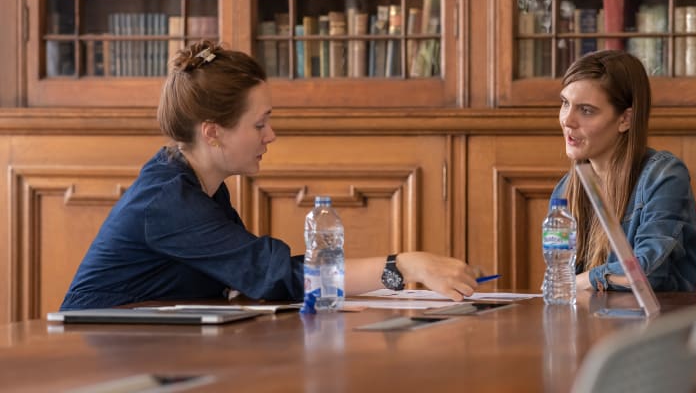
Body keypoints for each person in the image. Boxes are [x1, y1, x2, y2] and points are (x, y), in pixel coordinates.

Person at [60, 40, 478, 311]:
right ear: (213, 132)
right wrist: (401, 265)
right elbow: (273, 275)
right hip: (103, 353)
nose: (271, 135)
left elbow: (251, 276)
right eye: (259, 125)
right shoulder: (168, 202)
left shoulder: (198, 184)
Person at [551, 50, 696, 292]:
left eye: (586, 110)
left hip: (656, 327)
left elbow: (646, 273)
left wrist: (585, 280)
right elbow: (557, 279)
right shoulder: (564, 191)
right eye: (565, 103)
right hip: (592, 325)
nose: (567, 120)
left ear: (625, 119)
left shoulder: (664, 176)